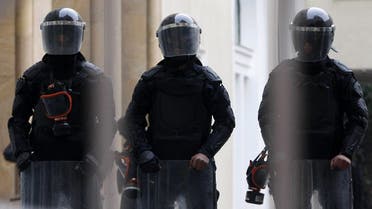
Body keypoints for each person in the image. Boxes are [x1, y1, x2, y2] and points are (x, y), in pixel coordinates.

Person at [118, 13, 235, 209]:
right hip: (156, 167)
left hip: (196, 168)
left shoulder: (208, 81)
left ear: (193, 39)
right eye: (173, 39)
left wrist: (206, 153)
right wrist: (144, 151)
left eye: (183, 39)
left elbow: (226, 121)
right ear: (164, 42)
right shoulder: (151, 81)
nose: (178, 45)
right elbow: (132, 120)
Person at [258, 7, 368, 209]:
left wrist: (346, 152)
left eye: (315, 39)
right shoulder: (282, 75)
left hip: (332, 162)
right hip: (292, 161)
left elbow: (358, 117)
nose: (310, 45)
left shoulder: (340, 76)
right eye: (306, 38)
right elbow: (267, 116)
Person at [8, 8, 116, 209]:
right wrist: (23, 154)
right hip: (42, 165)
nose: (61, 39)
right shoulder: (33, 77)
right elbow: (18, 120)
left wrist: (94, 158)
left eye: (66, 34)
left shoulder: (95, 79)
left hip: (83, 165)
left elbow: (108, 124)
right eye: (56, 34)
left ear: (77, 35)